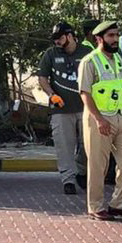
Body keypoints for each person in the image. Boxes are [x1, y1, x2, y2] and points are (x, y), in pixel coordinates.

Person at [78, 21, 122, 221]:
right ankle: (96, 207)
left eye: (117, 35)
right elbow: (85, 93)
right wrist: (99, 119)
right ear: (99, 39)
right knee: (98, 165)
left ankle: (119, 204)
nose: (115, 39)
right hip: (99, 118)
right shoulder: (89, 61)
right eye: (110, 36)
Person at [38, 22, 90, 194]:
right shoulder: (51, 54)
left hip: (85, 108)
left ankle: (81, 171)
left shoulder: (87, 53)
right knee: (64, 145)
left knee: (87, 144)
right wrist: (51, 94)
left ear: (69, 36)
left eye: (60, 38)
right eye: (55, 39)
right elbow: (43, 78)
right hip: (61, 109)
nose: (57, 42)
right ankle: (68, 179)